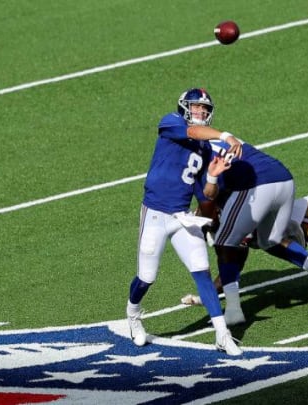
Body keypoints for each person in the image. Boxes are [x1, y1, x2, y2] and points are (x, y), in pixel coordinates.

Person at [126, 87, 243, 356]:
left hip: (181, 215)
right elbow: (192, 132)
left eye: (204, 109)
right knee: (146, 277)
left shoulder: (203, 150)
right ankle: (133, 313)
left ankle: (222, 334)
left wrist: (213, 176)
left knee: (201, 269)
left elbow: (206, 196)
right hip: (155, 213)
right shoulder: (172, 123)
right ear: (184, 107)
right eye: (196, 106)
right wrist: (225, 136)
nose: (200, 112)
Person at [203, 139, 308, 327]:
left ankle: (233, 311)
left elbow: (209, 200)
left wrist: (206, 223)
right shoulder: (219, 140)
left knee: (226, 242)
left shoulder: (201, 158)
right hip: (284, 178)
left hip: (259, 187)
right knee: (270, 240)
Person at [179, 195, 308, 325]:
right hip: (300, 230)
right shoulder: (219, 228)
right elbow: (232, 266)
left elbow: (276, 240)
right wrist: (205, 297)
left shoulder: (236, 211)